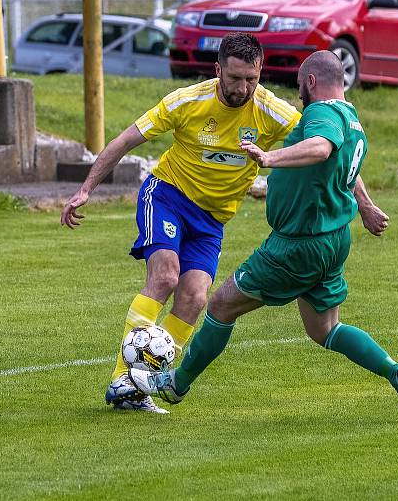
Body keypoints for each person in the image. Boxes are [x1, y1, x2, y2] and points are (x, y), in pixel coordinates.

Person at [121, 50, 398, 422]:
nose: (299, 94)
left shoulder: (322, 113)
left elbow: (321, 148)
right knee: (327, 329)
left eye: (301, 85)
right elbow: (333, 164)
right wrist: (364, 205)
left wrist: (269, 159)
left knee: (221, 306)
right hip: (334, 240)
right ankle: (397, 374)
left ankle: (177, 384)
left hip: (297, 244)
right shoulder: (352, 120)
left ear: (312, 82)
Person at [60, 33, 305, 414]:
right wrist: (86, 188)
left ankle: (141, 386)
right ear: (218, 69)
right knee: (165, 277)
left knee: (194, 298)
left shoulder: (272, 111)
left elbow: (324, 144)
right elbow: (125, 141)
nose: (242, 88)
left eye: (251, 80)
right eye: (235, 78)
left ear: (260, 73)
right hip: (168, 195)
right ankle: (122, 377)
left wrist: (365, 203)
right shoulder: (188, 101)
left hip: (212, 219)